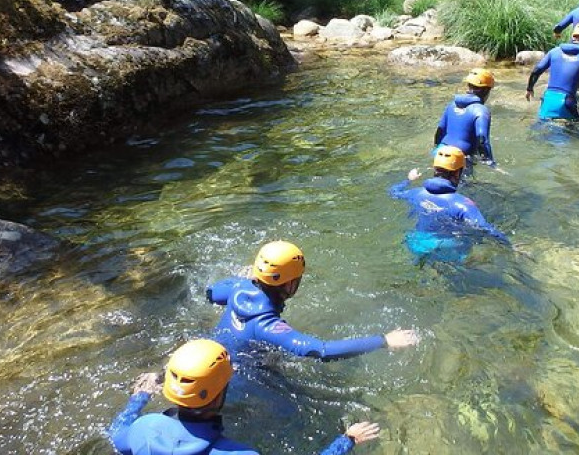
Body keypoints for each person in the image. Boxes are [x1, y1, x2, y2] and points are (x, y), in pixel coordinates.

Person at [109, 339, 381, 455]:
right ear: (218, 396)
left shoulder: (141, 429)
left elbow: (116, 432)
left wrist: (139, 398)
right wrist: (347, 440)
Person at [207, 242, 420, 359]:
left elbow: (211, 293)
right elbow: (322, 350)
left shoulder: (237, 287)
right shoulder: (268, 326)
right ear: (290, 285)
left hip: (211, 352)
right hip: (239, 373)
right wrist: (384, 341)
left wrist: (242, 280)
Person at [389, 145, 510, 263]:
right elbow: (485, 228)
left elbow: (393, 192)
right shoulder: (462, 204)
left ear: (435, 169)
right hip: (446, 248)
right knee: (485, 255)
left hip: (415, 242)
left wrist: (408, 180)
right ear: (458, 173)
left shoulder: (416, 193)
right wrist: (511, 246)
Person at [434, 68, 496, 168]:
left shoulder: (452, 104)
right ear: (486, 90)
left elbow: (439, 131)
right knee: (464, 183)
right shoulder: (481, 111)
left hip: (440, 153)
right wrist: (490, 162)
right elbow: (482, 139)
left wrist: (436, 149)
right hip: (460, 157)